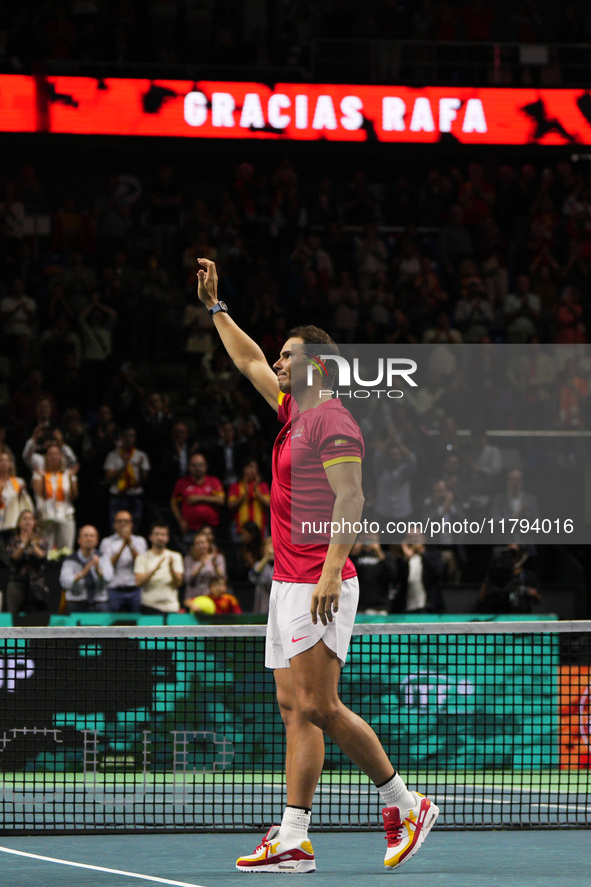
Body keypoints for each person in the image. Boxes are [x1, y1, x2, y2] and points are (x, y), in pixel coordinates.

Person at [196, 258, 438, 874]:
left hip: (319, 580)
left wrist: (332, 570)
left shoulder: (332, 418)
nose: (277, 363)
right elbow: (248, 360)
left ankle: (404, 804)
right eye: (278, 356)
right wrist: (217, 309)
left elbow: (352, 499)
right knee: (292, 707)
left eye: (288, 355)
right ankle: (294, 840)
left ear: (319, 366)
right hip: (287, 583)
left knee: (321, 706)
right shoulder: (293, 412)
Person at [99, 510, 148, 612]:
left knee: (136, 623)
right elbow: (108, 566)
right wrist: (123, 546)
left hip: (135, 590)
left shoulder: (139, 541)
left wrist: (130, 544)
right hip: (114, 589)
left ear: (132, 524)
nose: (122, 524)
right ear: (114, 524)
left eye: (126, 521)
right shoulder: (107, 542)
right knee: (113, 623)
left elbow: (141, 564)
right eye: (119, 521)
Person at [32, 443, 77, 552]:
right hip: (46, 516)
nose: (53, 457)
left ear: (61, 456)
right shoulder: (39, 474)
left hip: (65, 515)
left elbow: (73, 496)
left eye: (56, 454)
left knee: (66, 549)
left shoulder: (68, 474)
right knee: (46, 549)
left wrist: (71, 478)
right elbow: (42, 494)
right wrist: (43, 478)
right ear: (46, 457)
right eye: (50, 454)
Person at [170, 452, 224, 544]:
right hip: (191, 530)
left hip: (210, 530)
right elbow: (173, 503)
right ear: (189, 467)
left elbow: (220, 500)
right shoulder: (182, 483)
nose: (198, 468)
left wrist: (199, 498)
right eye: (194, 466)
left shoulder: (214, 481)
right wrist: (180, 520)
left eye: (200, 465)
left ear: (206, 466)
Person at [60, 525, 114, 614]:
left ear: (96, 541)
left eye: (92, 536)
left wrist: (97, 570)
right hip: (76, 605)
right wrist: (83, 572)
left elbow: (109, 579)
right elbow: (65, 583)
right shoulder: (70, 560)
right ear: (79, 540)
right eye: (85, 535)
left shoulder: (103, 557)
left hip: (99, 605)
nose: (89, 539)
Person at [104, 427, 150, 529]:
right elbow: (108, 479)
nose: (130, 439)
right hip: (118, 497)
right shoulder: (113, 455)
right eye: (127, 436)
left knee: (135, 527)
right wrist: (124, 465)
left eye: (132, 436)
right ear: (122, 437)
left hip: (135, 496)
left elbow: (145, 480)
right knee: (116, 527)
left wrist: (140, 469)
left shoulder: (140, 455)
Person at [5, 510, 49, 618]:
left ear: (34, 523)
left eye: (30, 519)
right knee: (14, 616)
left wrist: (32, 542)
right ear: (19, 523)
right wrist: (24, 543)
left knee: (35, 617)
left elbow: (42, 556)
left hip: (36, 583)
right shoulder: (13, 540)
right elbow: (14, 557)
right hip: (17, 582)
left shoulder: (41, 540)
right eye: (24, 518)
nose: (27, 522)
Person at [134, 523, 183, 614]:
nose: (160, 538)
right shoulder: (142, 557)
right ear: (150, 537)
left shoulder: (175, 556)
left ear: (167, 538)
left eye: (163, 535)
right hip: (149, 606)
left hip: (171, 607)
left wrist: (172, 569)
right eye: (156, 534)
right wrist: (155, 569)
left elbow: (178, 583)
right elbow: (138, 582)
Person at [350, 536, 396, 614]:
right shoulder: (356, 556)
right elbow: (347, 575)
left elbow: (393, 576)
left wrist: (379, 554)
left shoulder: (386, 556)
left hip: (379, 607)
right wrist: (353, 554)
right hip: (359, 606)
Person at [227, 458, 271, 540]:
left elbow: (268, 503)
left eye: (255, 468)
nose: (253, 470)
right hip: (239, 528)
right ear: (244, 469)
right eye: (250, 467)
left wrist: (256, 491)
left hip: (260, 527)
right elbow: (231, 505)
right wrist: (245, 493)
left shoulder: (263, 486)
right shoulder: (235, 486)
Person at [183, 531, 227, 607]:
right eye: (197, 544)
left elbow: (222, 577)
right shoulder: (189, 559)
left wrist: (215, 565)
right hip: (193, 599)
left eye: (203, 543)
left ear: (208, 544)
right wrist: (201, 565)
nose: (201, 546)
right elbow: (187, 579)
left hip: (212, 597)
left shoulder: (217, 557)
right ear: (193, 546)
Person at [0, 451, 32, 534]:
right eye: (1, 460)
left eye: (7, 461)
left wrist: (20, 494)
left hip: (12, 522)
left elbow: (24, 504)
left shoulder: (18, 482)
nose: (4, 463)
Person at [249, 536, 275, 614]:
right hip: (263, 606)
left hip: (279, 606)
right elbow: (253, 576)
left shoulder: (283, 565)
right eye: (269, 545)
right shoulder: (260, 565)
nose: (272, 549)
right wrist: (266, 557)